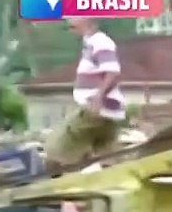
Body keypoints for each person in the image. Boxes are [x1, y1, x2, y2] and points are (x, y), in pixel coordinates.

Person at [44, 17, 126, 170]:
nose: (69, 25)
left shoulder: (100, 42)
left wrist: (98, 97)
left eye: (73, 21)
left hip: (97, 108)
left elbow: (112, 72)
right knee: (106, 154)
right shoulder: (90, 44)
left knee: (57, 148)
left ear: (88, 21)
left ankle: (57, 180)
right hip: (106, 111)